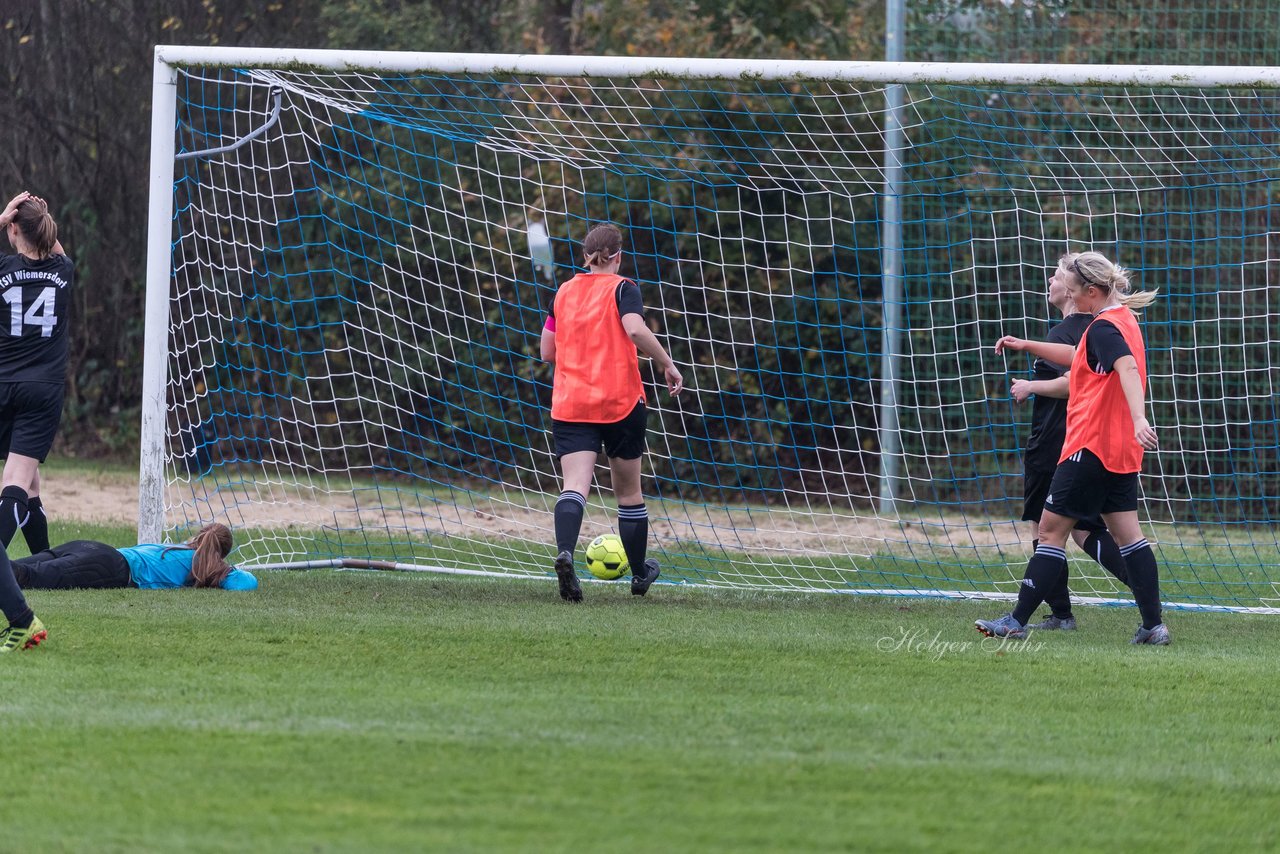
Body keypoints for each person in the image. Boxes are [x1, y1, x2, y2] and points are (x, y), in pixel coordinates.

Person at [978, 250, 1169, 644]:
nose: (1070, 295)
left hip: (1089, 446)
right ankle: (1153, 626)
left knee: (1049, 532)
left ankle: (1016, 621)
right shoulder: (1122, 321)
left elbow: (1127, 369)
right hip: (1120, 452)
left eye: (1075, 290)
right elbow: (1079, 357)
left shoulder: (1102, 328)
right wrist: (1027, 345)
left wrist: (1139, 418)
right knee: (1129, 537)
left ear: (1094, 291)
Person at [540, 223, 684, 602]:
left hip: (572, 403)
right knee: (629, 493)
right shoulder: (624, 288)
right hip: (619, 402)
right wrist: (667, 363)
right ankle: (639, 575)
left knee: (575, 486)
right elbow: (635, 330)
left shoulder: (564, 292)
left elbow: (547, 351)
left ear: (585, 255)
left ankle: (566, 553)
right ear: (618, 256)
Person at [1008, 269, 1131, 631]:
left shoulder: (1065, 333)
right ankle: (1146, 594)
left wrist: (1031, 385)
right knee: (1086, 529)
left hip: (1055, 443)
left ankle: (1060, 614)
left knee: (1044, 529)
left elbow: (1072, 384)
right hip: (1095, 442)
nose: (1049, 280)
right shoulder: (1104, 327)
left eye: (1058, 275)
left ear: (1075, 288)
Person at [0, 191, 74, 554]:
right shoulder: (64, 272)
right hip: (41, 390)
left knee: (27, 484)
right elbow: (55, 251)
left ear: (12, 229)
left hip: (3, 385)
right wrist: (38, 215)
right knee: (15, 480)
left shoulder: (3, 269)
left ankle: (44, 561)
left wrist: (4, 217)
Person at [12, 523, 258, 591]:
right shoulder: (202, 565)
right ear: (221, 553)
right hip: (111, 567)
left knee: (14, 568)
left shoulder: (176, 549)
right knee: (28, 577)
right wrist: (226, 568)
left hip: (92, 548)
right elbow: (247, 583)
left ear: (198, 537)